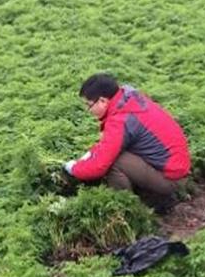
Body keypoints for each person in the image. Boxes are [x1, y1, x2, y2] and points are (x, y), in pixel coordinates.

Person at [63, 73, 191, 212]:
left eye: (89, 105)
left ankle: (127, 208)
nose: (89, 110)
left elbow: (99, 165)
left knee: (114, 162)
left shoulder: (120, 119)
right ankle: (149, 196)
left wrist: (73, 169)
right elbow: (109, 144)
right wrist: (91, 153)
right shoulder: (129, 99)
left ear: (103, 101)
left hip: (171, 179)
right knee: (117, 153)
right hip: (176, 168)